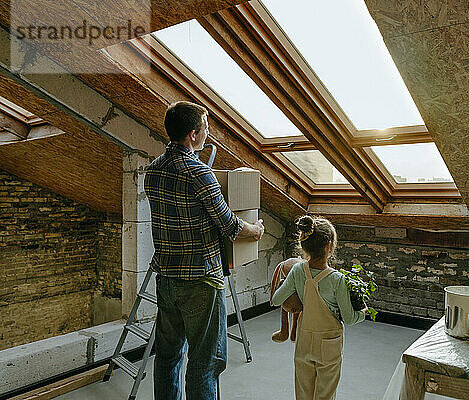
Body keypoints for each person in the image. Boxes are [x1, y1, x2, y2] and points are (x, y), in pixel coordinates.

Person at [144, 101, 264, 400]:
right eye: (207, 127)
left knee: (168, 355)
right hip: (200, 280)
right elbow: (230, 226)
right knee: (205, 362)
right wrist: (256, 230)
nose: (208, 133)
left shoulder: (153, 170)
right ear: (194, 135)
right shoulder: (199, 173)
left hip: (167, 279)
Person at [272, 215, 366, 400]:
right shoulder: (337, 279)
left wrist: (291, 290)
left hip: (304, 340)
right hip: (329, 343)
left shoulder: (298, 270)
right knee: (325, 393)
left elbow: (276, 300)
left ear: (304, 246)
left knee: (303, 392)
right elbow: (348, 317)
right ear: (329, 247)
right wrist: (362, 313)